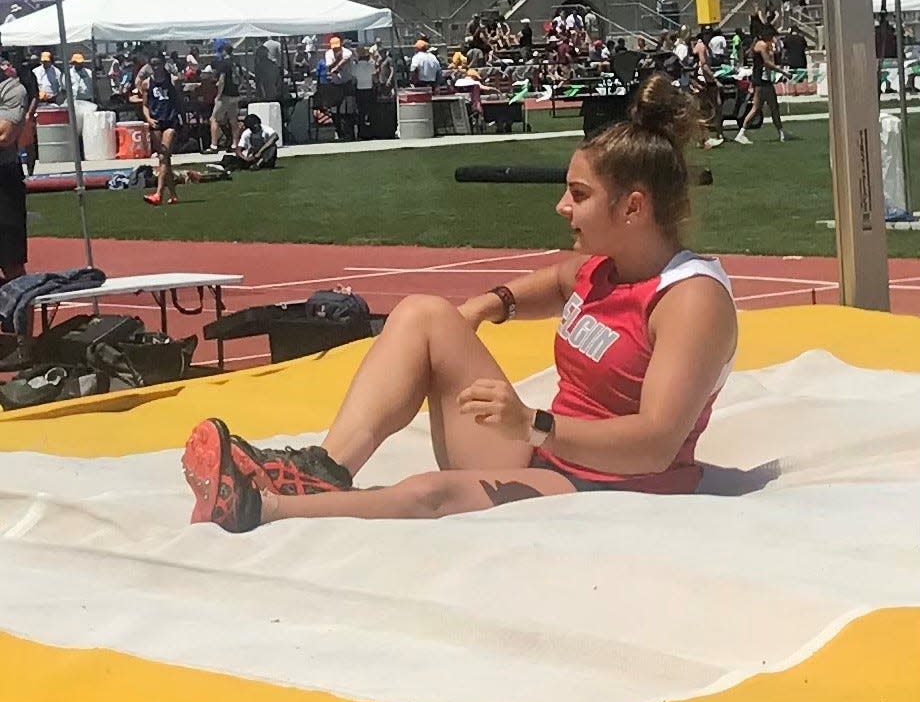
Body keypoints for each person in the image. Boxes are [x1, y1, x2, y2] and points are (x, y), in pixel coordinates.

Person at [179, 74, 738, 533]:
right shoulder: (606, 267)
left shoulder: (690, 301)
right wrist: (487, 306)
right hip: (549, 452)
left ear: (633, 208)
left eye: (580, 194)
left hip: (620, 484)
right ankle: (324, 471)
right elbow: (558, 281)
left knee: (430, 492)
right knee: (425, 312)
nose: (561, 206)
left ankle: (260, 508)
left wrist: (534, 424)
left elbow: (656, 446)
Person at [735, 25, 787, 144]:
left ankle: (781, 133)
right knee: (759, 108)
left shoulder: (761, 44)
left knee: (771, 107)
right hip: (761, 81)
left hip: (763, 80)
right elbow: (767, 63)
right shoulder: (762, 45)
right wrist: (783, 72)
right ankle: (742, 133)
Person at [141, 57, 181, 205]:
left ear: (163, 64)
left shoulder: (172, 80)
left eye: (158, 64)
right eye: (153, 64)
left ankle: (158, 194)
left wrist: (183, 118)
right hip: (156, 121)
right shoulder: (147, 84)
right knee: (164, 160)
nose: (156, 67)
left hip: (170, 120)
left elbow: (179, 100)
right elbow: (145, 105)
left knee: (164, 156)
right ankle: (174, 194)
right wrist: (148, 119)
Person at [0, 69, 28, 281]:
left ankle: (19, 314)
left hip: (4, 183)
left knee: (11, 263)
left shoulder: (12, 90)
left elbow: (5, 135)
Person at [208, 49, 241, 154]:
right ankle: (235, 144)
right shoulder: (236, 63)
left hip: (225, 95)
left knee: (214, 119)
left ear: (224, 51)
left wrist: (218, 95)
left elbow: (222, 80)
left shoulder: (224, 64)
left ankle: (214, 145)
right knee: (233, 120)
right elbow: (242, 80)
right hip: (235, 95)